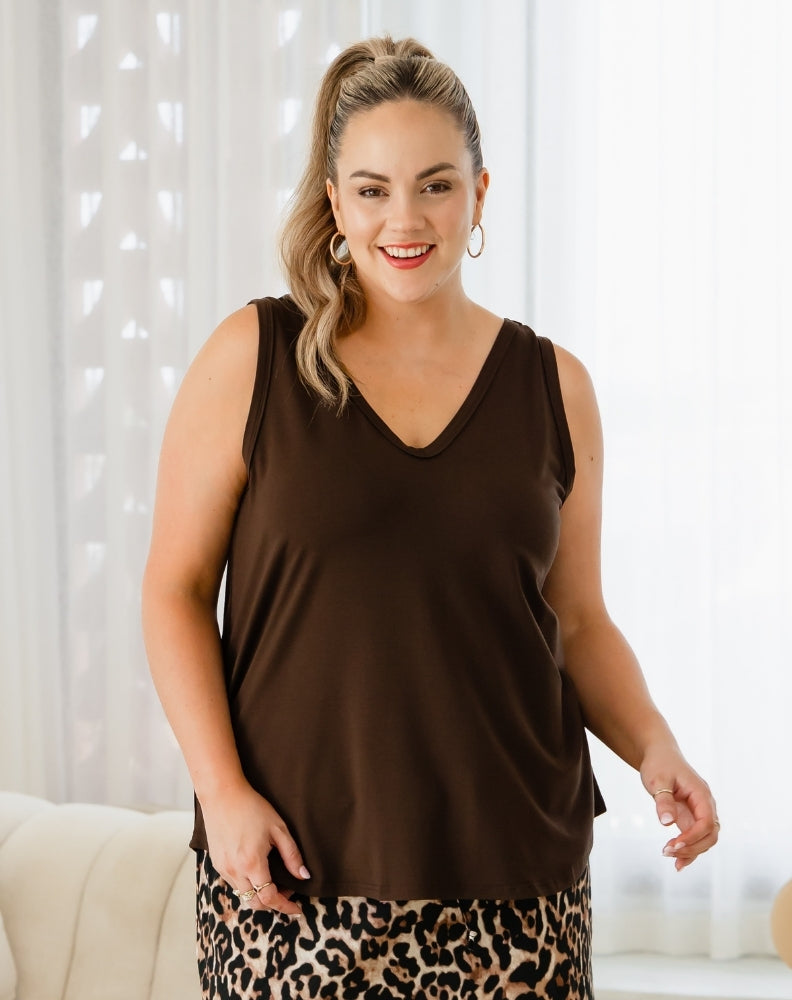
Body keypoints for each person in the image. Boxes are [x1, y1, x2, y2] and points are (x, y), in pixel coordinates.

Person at [142, 35, 719, 1000]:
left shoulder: (553, 386)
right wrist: (222, 791)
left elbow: (578, 620)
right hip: (296, 874)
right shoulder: (252, 356)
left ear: (481, 196)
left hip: (517, 882)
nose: (403, 219)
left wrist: (655, 743)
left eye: (436, 185)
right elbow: (173, 590)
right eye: (371, 189)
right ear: (334, 202)